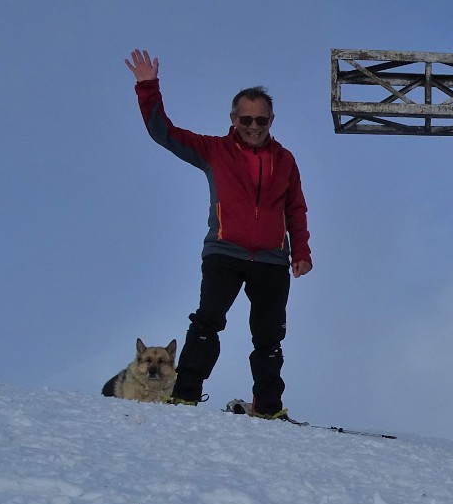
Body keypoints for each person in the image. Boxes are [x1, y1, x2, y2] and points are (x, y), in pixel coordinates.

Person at [125, 48, 312, 418]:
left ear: (272, 119)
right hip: (225, 252)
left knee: (270, 338)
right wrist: (148, 89)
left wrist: (301, 252)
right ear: (233, 118)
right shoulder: (214, 150)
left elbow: (295, 208)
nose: (254, 127)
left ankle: (269, 409)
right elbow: (164, 133)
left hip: (272, 260)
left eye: (261, 120)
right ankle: (185, 395)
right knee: (207, 322)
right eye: (246, 119)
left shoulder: (285, 159)